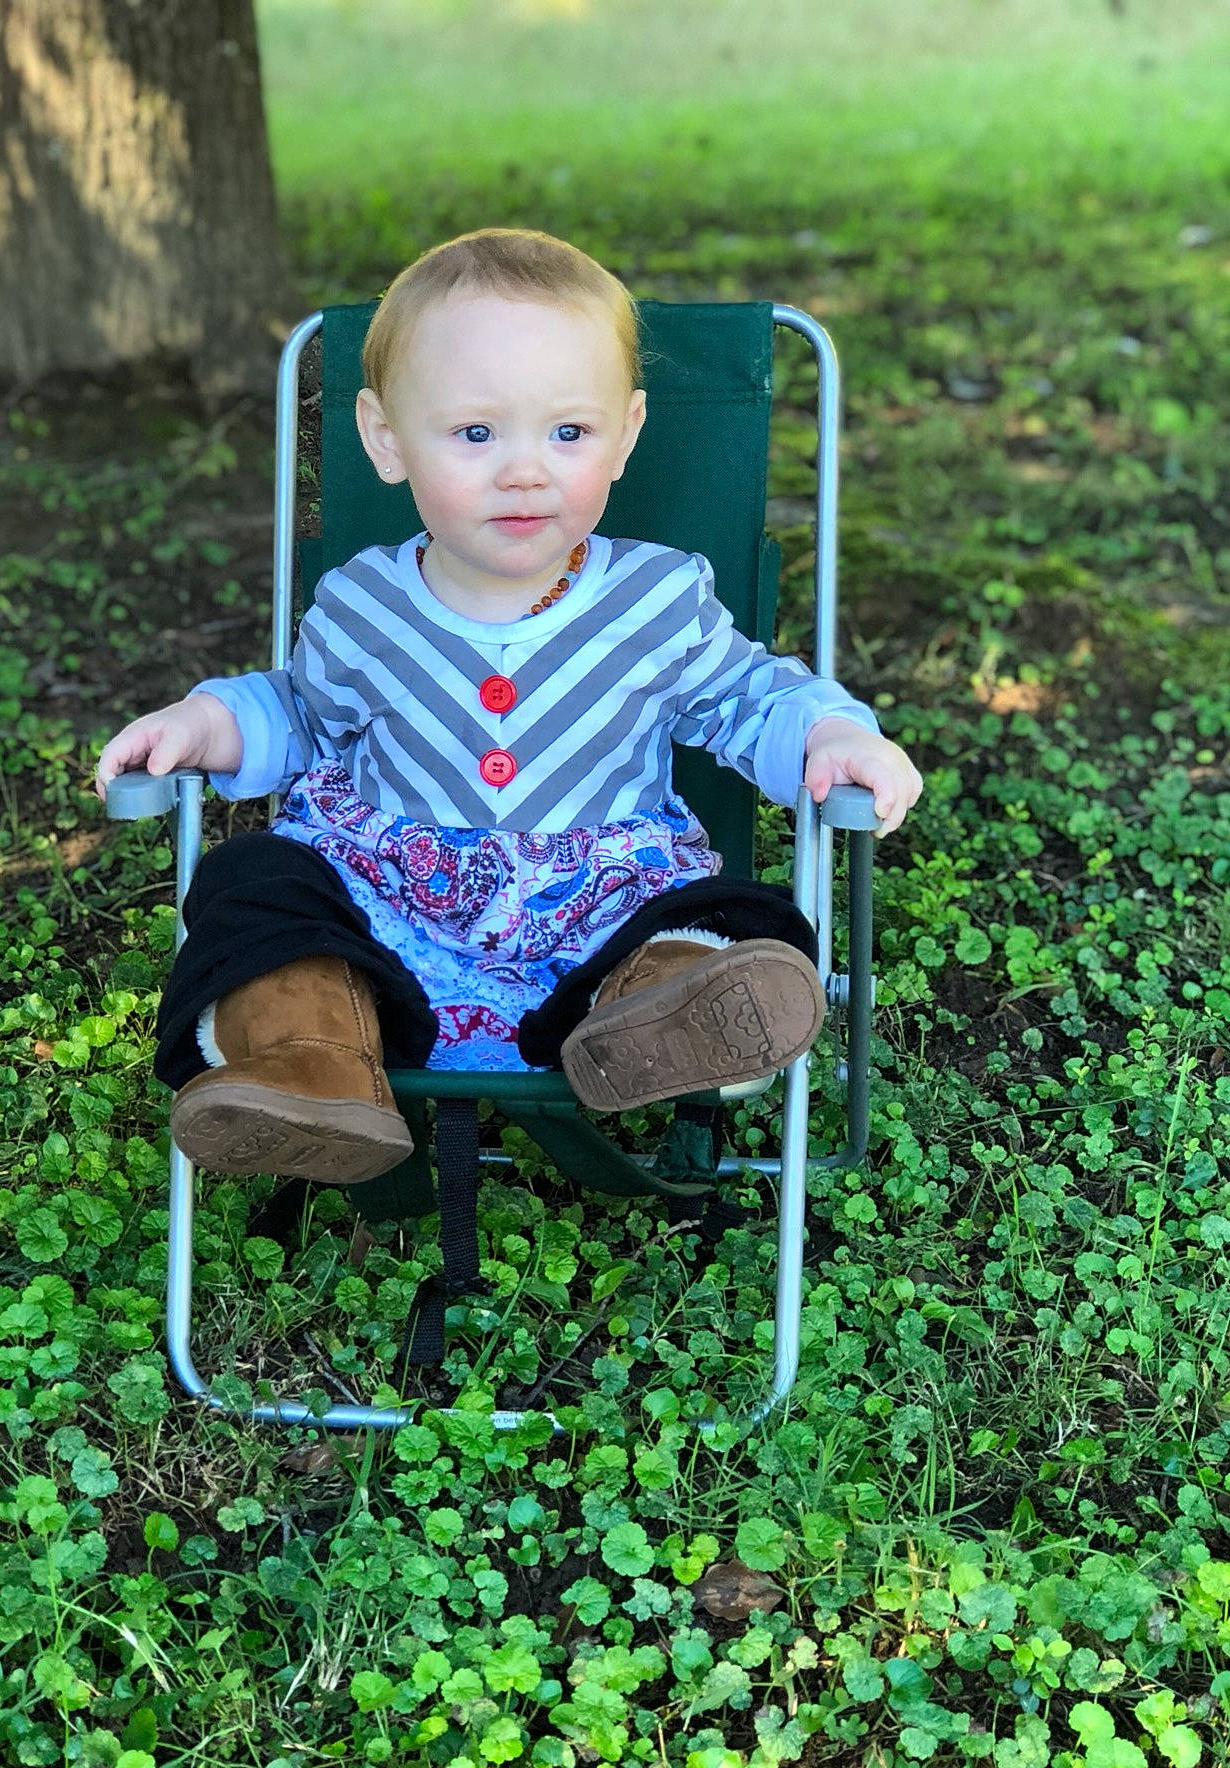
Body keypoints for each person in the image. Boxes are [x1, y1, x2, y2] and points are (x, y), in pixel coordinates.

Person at [95, 229, 922, 1186]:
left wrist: (829, 731)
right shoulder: (362, 603)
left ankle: (666, 1018)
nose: (525, 470)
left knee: (738, 915)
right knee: (254, 885)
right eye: (476, 433)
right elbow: (304, 713)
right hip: (384, 926)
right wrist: (206, 724)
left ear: (627, 433)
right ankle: (309, 1065)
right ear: (385, 440)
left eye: (568, 432)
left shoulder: (657, 598)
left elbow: (744, 696)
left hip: (601, 925)